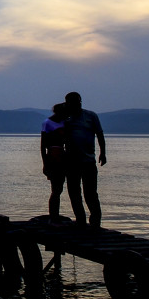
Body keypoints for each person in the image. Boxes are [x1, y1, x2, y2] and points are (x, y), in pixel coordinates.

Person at [61, 91, 106, 228]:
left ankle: (95, 221)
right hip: (71, 162)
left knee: (90, 193)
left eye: (77, 101)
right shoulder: (65, 119)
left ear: (80, 102)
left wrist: (103, 153)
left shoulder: (91, 116)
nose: (75, 104)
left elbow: (99, 134)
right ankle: (80, 219)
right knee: (74, 193)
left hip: (88, 162)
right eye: (71, 102)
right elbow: (58, 137)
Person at [40, 103, 70, 221]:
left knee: (59, 188)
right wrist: (45, 163)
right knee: (56, 189)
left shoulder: (65, 122)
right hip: (53, 157)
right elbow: (43, 146)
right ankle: (53, 216)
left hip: (63, 157)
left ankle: (55, 215)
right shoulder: (47, 123)